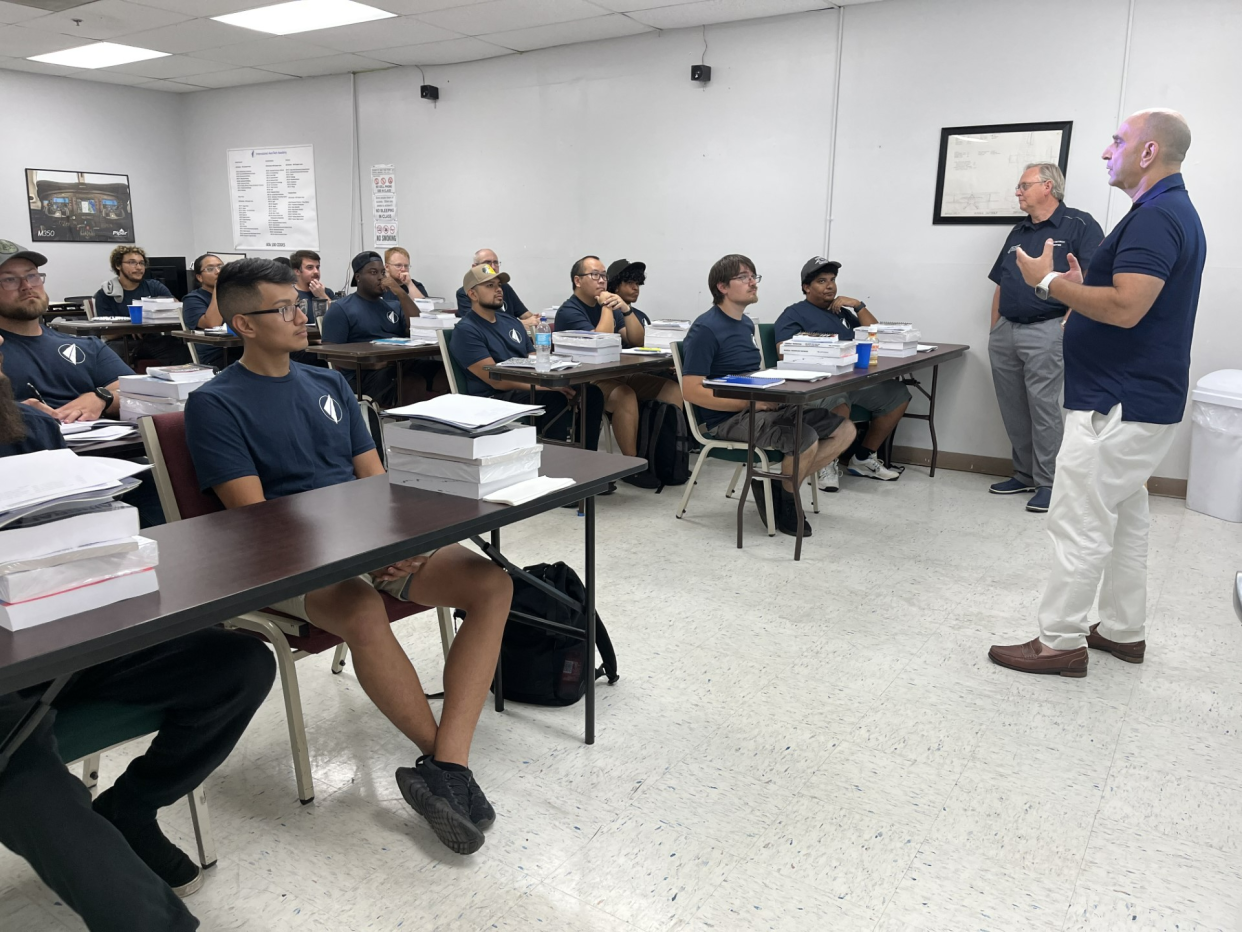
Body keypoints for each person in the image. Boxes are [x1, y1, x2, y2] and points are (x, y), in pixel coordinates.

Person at [185, 258, 512, 855]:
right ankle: (450, 771)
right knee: (361, 607)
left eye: (299, 304)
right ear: (243, 325)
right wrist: (368, 553)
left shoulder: (329, 383)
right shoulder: (215, 404)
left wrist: (407, 547)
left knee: (491, 583)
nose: (300, 315)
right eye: (282, 308)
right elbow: (259, 520)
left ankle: (448, 763)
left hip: (366, 542)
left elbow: (378, 483)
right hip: (285, 560)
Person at [0, 332, 276, 932]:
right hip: (8, 694)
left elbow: (87, 543)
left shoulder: (26, 427)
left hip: (65, 647)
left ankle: (132, 807)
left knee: (237, 664)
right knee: (19, 762)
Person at [989, 109, 1205, 678]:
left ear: (1149, 152)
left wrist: (1049, 281)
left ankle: (1059, 640)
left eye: (1118, 141)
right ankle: (1121, 630)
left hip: (1118, 402)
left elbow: (1128, 308)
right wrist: (1083, 292)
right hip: (1136, 397)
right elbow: (1126, 298)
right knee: (1125, 514)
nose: (1108, 151)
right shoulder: (1163, 212)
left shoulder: (1157, 218)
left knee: (1078, 515)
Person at [680, 254, 855, 536]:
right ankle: (787, 503)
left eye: (754, 276)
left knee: (845, 430)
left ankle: (777, 486)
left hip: (759, 406)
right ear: (722, 287)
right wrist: (754, 402)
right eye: (744, 277)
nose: (753, 282)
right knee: (805, 438)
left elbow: (747, 376)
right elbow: (690, 391)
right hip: (726, 418)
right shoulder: (706, 329)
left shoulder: (745, 324)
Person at [987, 162, 1105, 513]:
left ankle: (1050, 482)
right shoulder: (1018, 231)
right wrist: (994, 328)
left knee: (1045, 409)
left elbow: (1094, 279)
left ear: (1047, 187)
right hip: (1007, 330)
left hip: (1048, 328)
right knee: (1013, 408)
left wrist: (1065, 325)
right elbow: (1000, 281)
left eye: (1024, 185)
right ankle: (1023, 474)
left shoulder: (1079, 224)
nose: (1017, 192)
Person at [774, 257, 909, 489]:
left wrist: (857, 305)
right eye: (821, 281)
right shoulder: (794, 314)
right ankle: (826, 462)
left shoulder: (841, 312)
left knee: (897, 394)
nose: (830, 286)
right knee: (838, 400)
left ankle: (864, 457)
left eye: (833, 280)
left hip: (852, 381)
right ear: (807, 287)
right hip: (820, 386)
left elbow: (875, 334)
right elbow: (784, 354)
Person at [450, 262, 606, 451]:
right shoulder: (467, 330)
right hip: (495, 397)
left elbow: (534, 357)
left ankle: (586, 460)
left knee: (591, 393)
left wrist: (556, 380)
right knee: (555, 400)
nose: (499, 290)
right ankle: (556, 465)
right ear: (472, 294)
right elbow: (496, 380)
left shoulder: (511, 321)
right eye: (490, 286)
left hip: (527, 387)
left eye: (499, 285)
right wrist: (549, 388)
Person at [0, 240, 132, 422]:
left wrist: (102, 398)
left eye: (32, 276)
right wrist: (12, 412)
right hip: (24, 446)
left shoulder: (87, 346)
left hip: (100, 445)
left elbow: (138, 393)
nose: (27, 286)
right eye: (9, 279)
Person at [321, 251, 421, 404]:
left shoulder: (393, 305)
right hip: (363, 373)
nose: (381, 277)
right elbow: (330, 353)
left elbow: (418, 326)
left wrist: (401, 293)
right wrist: (369, 363)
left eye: (383, 272)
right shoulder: (341, 309)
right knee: (402, 378)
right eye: (373, 272)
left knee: (439, 371)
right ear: (358, 277)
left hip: (397, 363)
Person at [92, 245, 188, 366]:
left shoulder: (154, 286)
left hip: (153, 339)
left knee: (181, 349)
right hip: (121, 342)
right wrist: (131, 327)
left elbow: (176, 309)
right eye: (132, 263)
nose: (139, 268)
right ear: (118, 265)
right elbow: (108, 334)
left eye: (141, 263)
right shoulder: (105, 294)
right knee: (108, 355)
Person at [454, 249, 532, 320]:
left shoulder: (505, 287)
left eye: (495, 262)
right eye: (487, 263)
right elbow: (476, 323)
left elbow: (525, 314)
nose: (493, 267)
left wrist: (536, 320)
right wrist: (518, 325)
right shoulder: (465, 292)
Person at [181, 254, 224, 367]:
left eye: (221, 267)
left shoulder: (235, 295)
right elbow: (213, 324)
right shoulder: (192, 299)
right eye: (210, 269)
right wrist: (218, 289)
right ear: (199, 277)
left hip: (240, 349)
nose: (218, 272)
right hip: (215, 355)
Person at [290, 250, 334, 316]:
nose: (316, 271)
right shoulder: (290, 294)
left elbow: (339, 315)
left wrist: (322, 296)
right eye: (310, 267)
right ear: (297, 271)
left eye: (317, 267)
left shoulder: (327, 292)